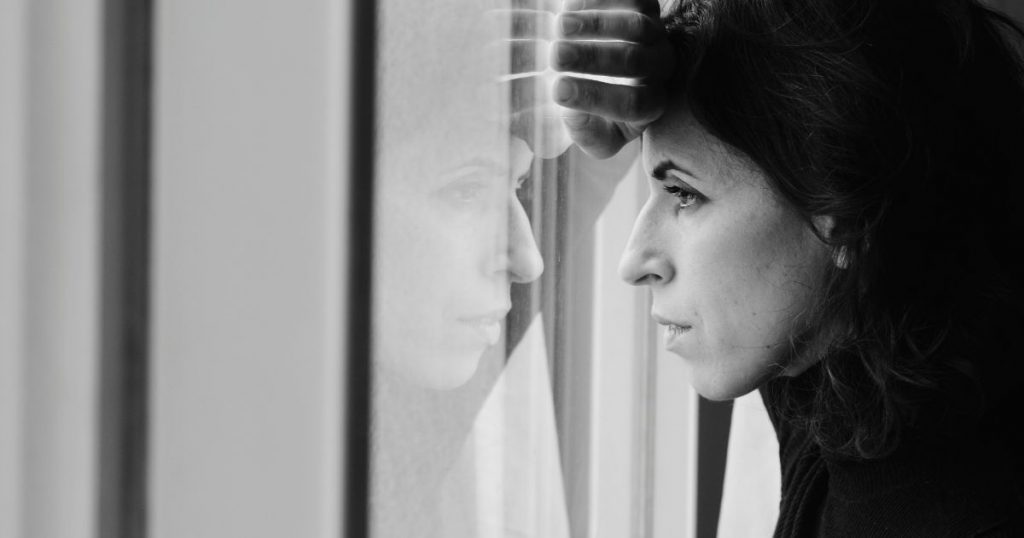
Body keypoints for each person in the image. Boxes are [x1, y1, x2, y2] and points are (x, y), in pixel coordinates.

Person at [549, 0, 1024, 534]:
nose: (634, 263)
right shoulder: (864, 389)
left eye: (684, 194)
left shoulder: (939, 507)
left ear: (843, 215)